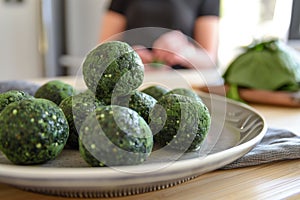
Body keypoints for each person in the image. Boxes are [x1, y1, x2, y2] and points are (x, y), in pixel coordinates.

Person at [99, 0, 220, 70]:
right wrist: (127, 56)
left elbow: (210, 60)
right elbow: (102, 51)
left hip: (183, 84)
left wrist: (185, 52)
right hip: (132, 80)